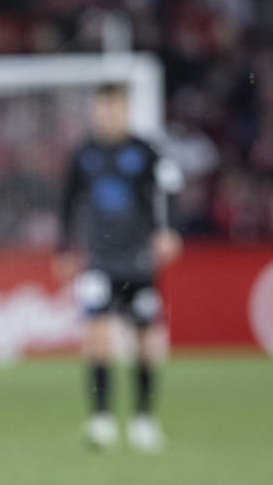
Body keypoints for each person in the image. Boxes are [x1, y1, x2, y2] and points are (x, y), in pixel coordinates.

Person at [56, 83, 183, 453]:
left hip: (138, 258)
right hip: (98, 258)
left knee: (146, 339)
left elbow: (170, 190)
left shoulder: (146, 151)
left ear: (126, 110)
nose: (107, 114)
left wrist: (168, 229)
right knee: (96, 338)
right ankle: (101, 421)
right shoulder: (83, 154)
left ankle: (144, 419)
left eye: (114, 108)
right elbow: (68, 201)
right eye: (102, 108)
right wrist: (63, 247)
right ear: (95, 110)